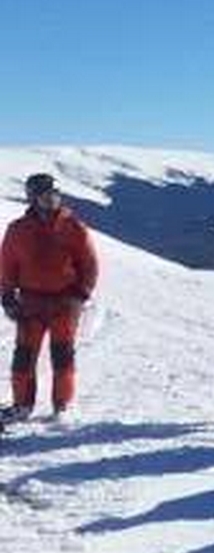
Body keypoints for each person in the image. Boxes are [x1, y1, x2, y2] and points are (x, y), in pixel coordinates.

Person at [0, 174, 99, 421]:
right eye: (45, 196)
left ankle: (61, 406)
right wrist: (7, 296)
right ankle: (22, 405)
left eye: (55, 195)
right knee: (24, 356)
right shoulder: (18, 230)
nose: (52, 200)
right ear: (32, 198)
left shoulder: (74, 227)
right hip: (30, 303)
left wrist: (81, 293)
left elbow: (89, 264)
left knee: (62, 355)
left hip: (65, 303)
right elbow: (6, 266)